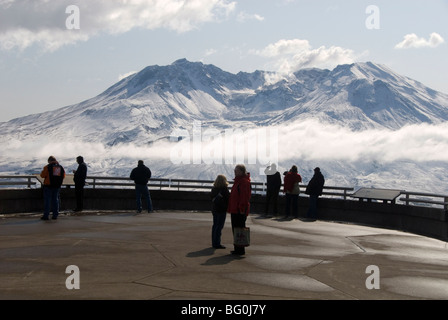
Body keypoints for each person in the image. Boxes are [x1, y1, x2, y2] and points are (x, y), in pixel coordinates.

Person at [227, 164, 251, 255]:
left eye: (236, 170)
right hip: (235, 209)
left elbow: (244, 197)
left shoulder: (243, 182)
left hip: (239, 210)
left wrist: (241, 208)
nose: (234, 171)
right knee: (236, 229)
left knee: (239, 229)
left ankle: (240, 249)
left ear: (241, 171)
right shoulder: (238, 181)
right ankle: (237, 248)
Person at [40, 156, 66, 220]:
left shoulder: (48, 167)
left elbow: (42, 175)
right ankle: (55, 215)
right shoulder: (60, 167)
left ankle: (46, 215)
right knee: (55, 201)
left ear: (49, 161)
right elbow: (63, 176)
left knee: (47, 201)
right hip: (57, 186)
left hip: (48, 186)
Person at [210, 174, 230, 249]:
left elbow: (211, 197)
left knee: (215, 226)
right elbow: (228, 199)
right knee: (219, 226)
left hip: (215, 209)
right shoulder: (224, 189)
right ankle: (217, 243)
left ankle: (214, 242)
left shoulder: (214, 188)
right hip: (222, 210)